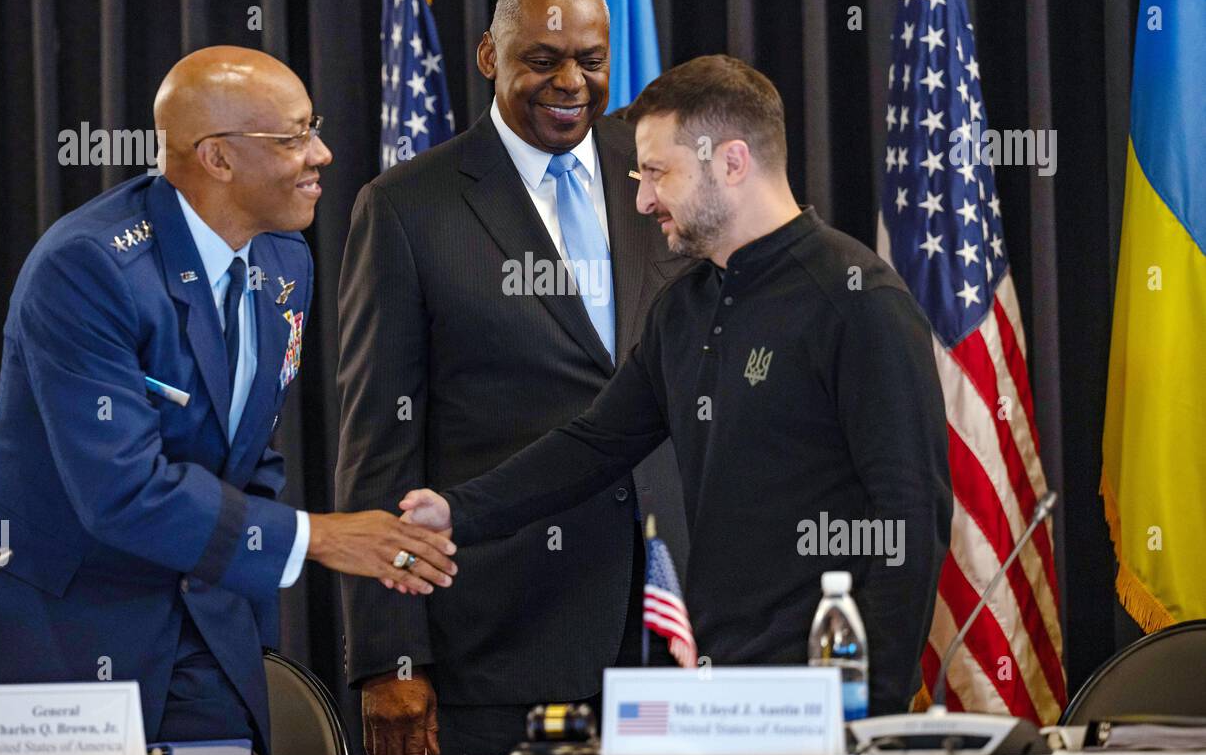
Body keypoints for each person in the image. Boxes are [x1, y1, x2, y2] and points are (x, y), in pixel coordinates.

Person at [0, 46, 456, 755]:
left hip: (206, 627)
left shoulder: (282, 260)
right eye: (294, 136)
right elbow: (121, 490)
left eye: (314, 128)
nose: (323, 153)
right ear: (216, 158)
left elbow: (246, 455)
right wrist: (319, 536)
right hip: (60, 639)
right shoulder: (87, 269)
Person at [400, 54, 952, 717]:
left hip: (830, 700)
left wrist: (871, 705)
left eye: (658, 173)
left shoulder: (859, 300)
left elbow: (910, 517)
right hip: (722, 692)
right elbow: (594, 445)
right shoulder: (682, 307)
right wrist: (457, 510)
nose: (640, 199)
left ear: (733, 162)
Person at [337, 0, 688, 755]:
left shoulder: (660, 168)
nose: (571, 81)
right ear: (490, 56)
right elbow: (378, 442)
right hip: (498, 640)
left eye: (591, 61)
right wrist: (393, 651)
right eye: (543, 59)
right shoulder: (406, 207)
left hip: (676, 630)